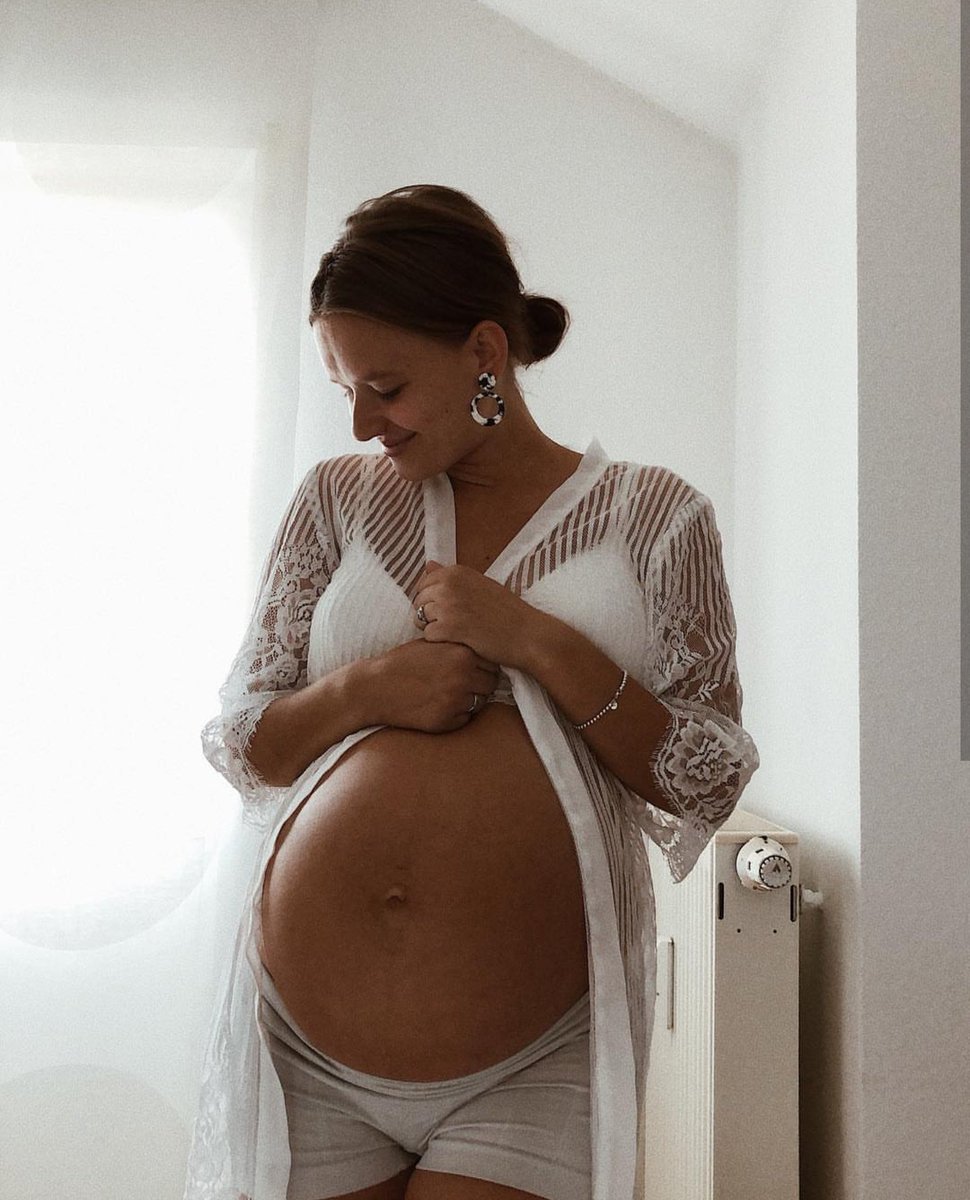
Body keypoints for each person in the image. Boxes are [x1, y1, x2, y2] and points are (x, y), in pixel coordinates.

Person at [182, 183, 760, 1200]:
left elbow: (703, 774)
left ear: (484, 353)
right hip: (304, 1047)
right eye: (345, 388)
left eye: (386, 386)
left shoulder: (655, 515)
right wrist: (369, 688)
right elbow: (247, 743)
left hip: (531, 1062)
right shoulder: (334, 501)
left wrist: (534, 638)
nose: (362, 422)